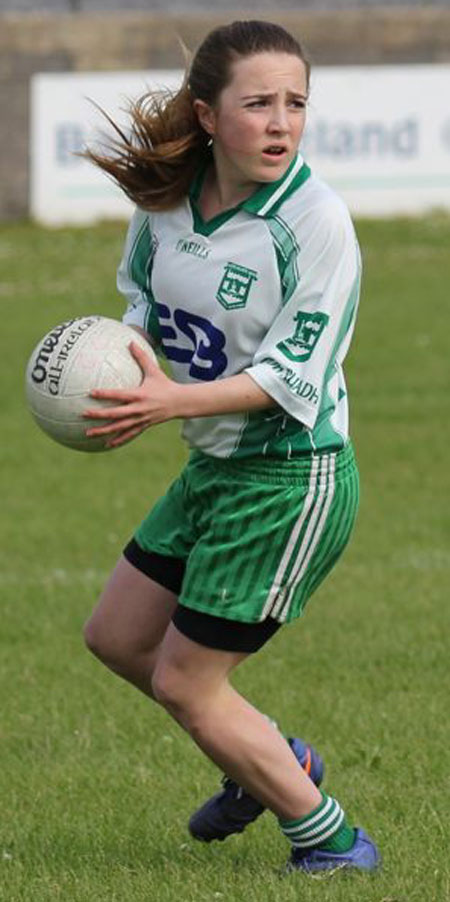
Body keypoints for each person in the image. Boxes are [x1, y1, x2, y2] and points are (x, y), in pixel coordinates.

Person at [82, 19, 380, 875]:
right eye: (259, 104)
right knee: (115, 637)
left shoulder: (316, 221)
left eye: (296, 103)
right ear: (210, 116)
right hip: (213, 465)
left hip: (291, 477)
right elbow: (139, 303)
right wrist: (119, 366)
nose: (282, 122)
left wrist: (167, 400)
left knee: (185, 682)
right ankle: (267, 759)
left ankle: (330, 842)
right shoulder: (165, 206)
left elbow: (291, 377)